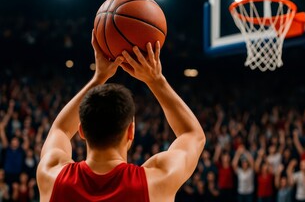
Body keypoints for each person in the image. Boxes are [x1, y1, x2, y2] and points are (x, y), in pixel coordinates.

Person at [36, 32, 206, 202]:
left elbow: (61, 129)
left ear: (81, 130)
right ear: (131, 131)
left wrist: (99, 77)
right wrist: (155, 79)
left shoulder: (52, 175)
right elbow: (192, 135)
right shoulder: (155, 182)